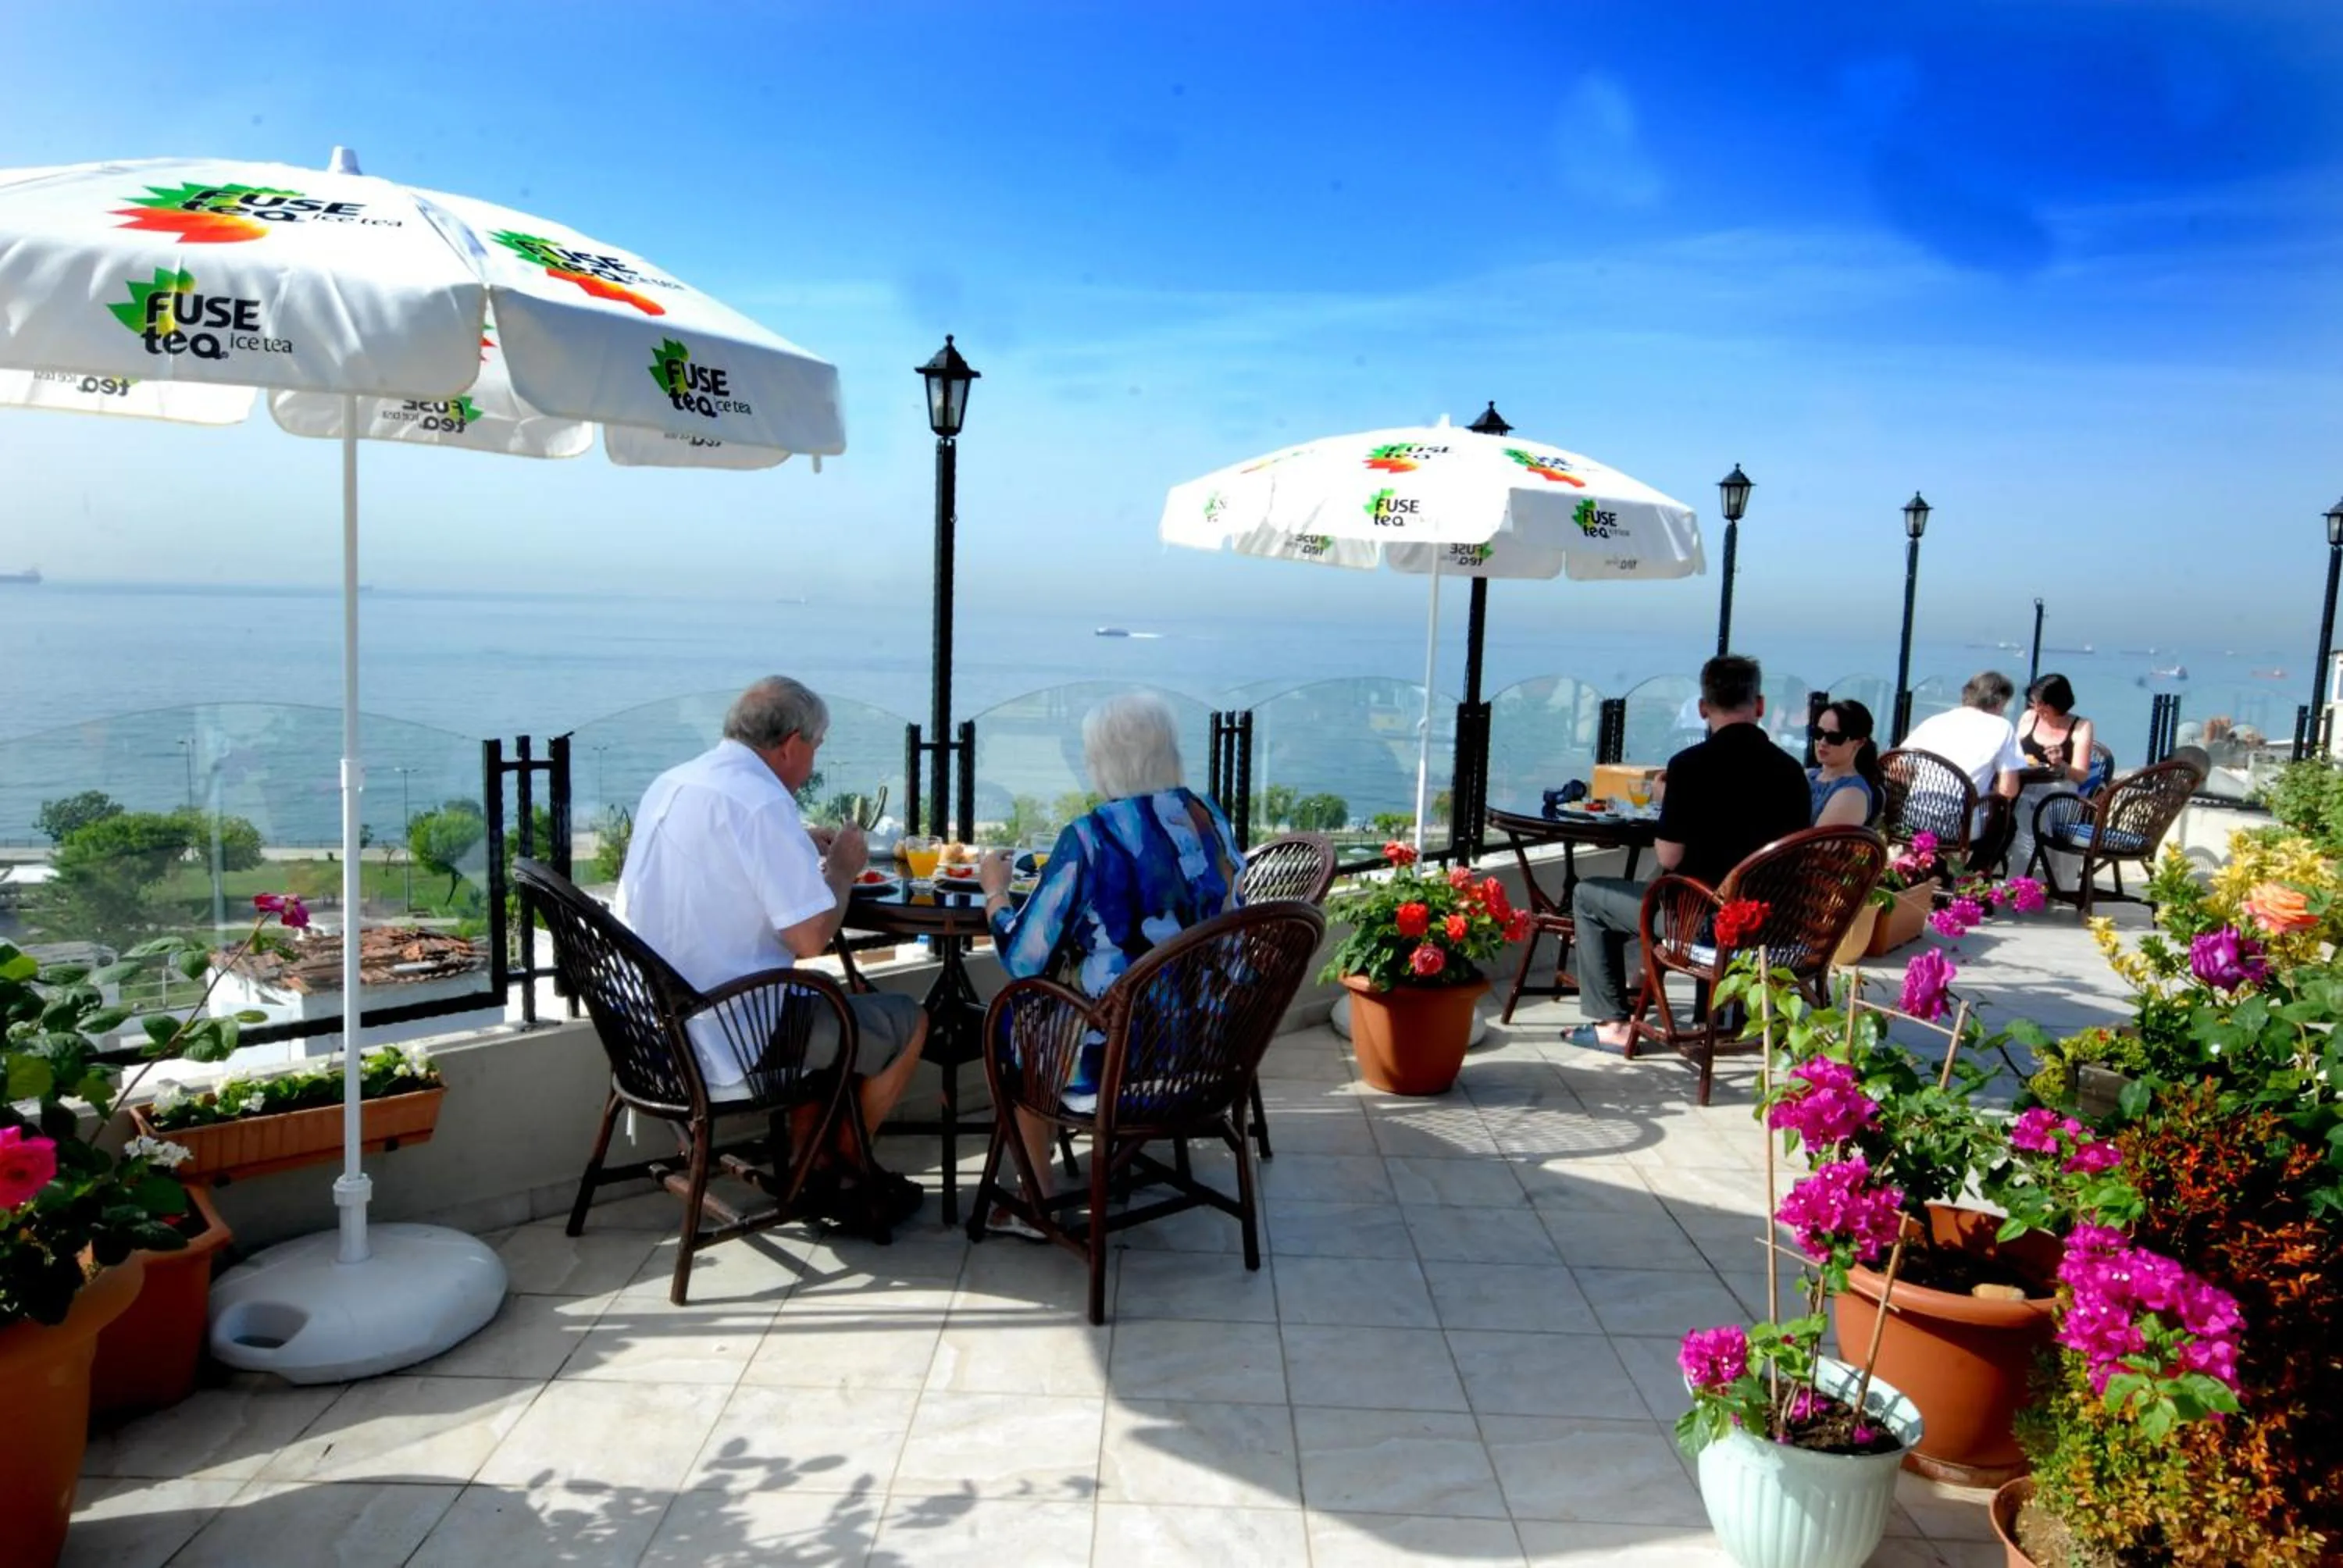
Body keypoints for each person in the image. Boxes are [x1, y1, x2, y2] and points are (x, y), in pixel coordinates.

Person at [616, 675, 929, 1220]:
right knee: (908, 1020)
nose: (815, 760)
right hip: (723, 1039)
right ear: (791, 745)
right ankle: (850, 1168)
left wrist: (794, 840)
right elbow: (810, 939)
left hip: (647, 1032)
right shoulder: (762, 804)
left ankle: (811, 1162)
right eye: (817, 746)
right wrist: (844, 873)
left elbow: (720, 859)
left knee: (821, 1001)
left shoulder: (674, 783)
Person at [974, 692, 1243, 1230]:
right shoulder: (1206, 815)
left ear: (1106, 761)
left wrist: (995, 894)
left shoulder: (1092, 838)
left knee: (1014, 1017)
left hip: (1121, 1060)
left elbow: (1024, 961)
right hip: (1212, 1046)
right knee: (1054, 1007)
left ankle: (1037, 1199)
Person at [1564, 655, 1811, 1052]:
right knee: (1660, 891)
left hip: (1704, 925)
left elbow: (1670, 856)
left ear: (1702, 708)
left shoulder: (1690, 767)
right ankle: (1666, 992)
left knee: (1588, 895)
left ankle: (1612, 1024)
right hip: (1777, 924)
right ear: (1760, 706)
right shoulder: (1791, 772)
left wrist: (1669, 800)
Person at [1897, 671, 2027, 850]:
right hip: (1959, 825)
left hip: (1913, 818)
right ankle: (1973, 874)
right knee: (2007, 823)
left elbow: (1898, 766)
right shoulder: (2001, 727)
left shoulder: (1934, 722)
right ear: (1999, 702)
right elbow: (2008, 790)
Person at [2009, 673, 2099, 884]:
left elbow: (2080, 775)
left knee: (2039, 809)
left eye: (2043, 705)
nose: (2038, 710)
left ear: (2058, 703)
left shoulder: (2080, 726)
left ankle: (2032, 881)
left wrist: (2061, 764)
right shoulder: (2029, 718)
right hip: (2023, 784)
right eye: (2034, 704)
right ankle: (2016, 877)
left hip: (2059, 793)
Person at [1808, 699, 1882, 828]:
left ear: (1859, 743)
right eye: (1818, 733)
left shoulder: (1852, 795)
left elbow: (1818, 845)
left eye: (1835, 738)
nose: (1823, 742)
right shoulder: (1806, 775)